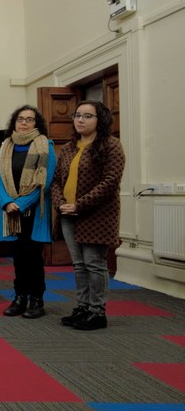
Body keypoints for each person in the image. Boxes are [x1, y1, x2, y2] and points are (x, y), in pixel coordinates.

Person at [52, 100, 125, 331]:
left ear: (99, 120)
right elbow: (55, 181)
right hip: (68, 214)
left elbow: (110, 183)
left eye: (87, 116)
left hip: (97, 215)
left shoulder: (111, 145)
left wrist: (78, 205)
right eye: (77, 115)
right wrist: (61, 204)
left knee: (94, 264)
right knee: (79, 265)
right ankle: (83, 307)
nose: (80, 120)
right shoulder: (69, 147)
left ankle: (97, 312)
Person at [0, 106, 56, 319]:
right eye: (20, 119)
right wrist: (6, 202)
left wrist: (21, 203)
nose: (24, 123)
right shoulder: (5, 147)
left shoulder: (45, 146)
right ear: (14, 122)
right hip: (10, 212)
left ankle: (37, 300)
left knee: (33, 257)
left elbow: (45, 182)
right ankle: (20, 297)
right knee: (18, 257)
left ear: (36, 123)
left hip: (33, 211)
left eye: (29, 120)